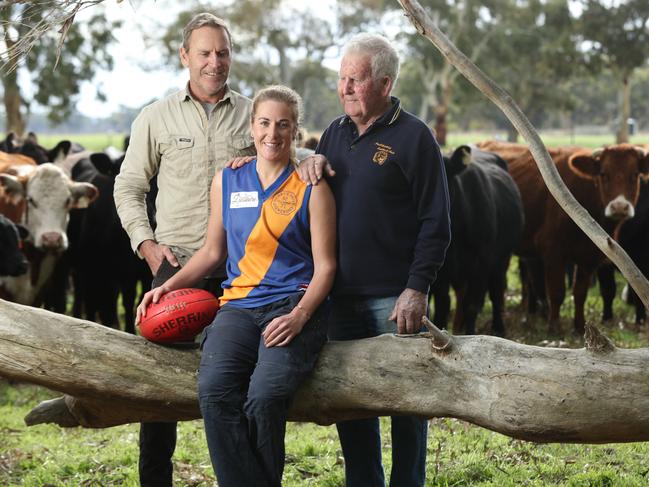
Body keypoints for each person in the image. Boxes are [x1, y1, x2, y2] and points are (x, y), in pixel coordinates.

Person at [136, 85, 336, 487]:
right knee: (213, 392)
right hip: (239, 307)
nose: (272, 134)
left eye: (283, 125)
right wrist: (166, 288)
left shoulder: (312, 187)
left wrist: (299, 317)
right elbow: (212, 253)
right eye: (264, 123)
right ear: (252, 126)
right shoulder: (227, 179)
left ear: (296, 130)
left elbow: (327, 268)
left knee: (263, 396)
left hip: (292, 304)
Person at [296, 33, 451, 486]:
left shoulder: (415, 137)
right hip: (339, 297)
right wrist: (310, 161)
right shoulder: (335, 132)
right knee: (352, 407)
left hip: (394, 298)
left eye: (356, 79)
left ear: (384, 83)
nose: (345, 88)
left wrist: (416, 287)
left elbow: (436, 221)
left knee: (409, 405)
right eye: (342, 78)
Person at [114, 13, 255, 487]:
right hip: (176, 267)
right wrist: (147, 245)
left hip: (241, 269)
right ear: (185, 57)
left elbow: (289, 170)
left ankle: (243, 476)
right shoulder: (155, 116)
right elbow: (129, 186)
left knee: (243, 384)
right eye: (204, 53)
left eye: (223, 52)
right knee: (158, 395)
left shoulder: (255, 115)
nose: (214, 62)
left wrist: (312, 157)